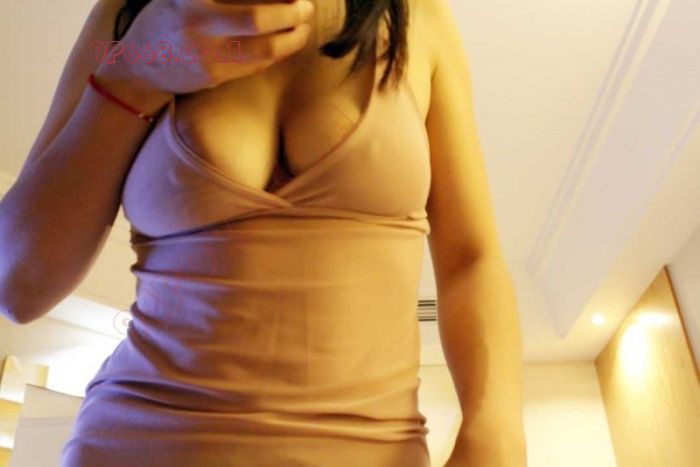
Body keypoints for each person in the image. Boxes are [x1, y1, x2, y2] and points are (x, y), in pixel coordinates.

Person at [0, 0, 527, 465]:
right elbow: (15, 284)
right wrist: (131, 74)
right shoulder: (128, 17)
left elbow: (471, 257)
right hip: (139, 442)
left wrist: (497, 432)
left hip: (370, 448)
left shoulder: (417, 16)